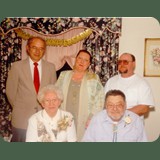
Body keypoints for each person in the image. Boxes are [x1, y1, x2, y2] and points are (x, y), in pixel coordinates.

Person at [6, 37, 57, 142]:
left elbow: (53, 92)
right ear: (27, 48)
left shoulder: (51, 67)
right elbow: (10, 92)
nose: (38, 51)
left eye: (41, 48)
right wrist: (20, 108)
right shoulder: (16, 67)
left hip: (44, 118)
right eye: (34, 47)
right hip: (21, 119)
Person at [56, 49, 105, 141]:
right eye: (80, 58)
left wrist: (92, 117)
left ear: (89, 63)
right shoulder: (64, 75)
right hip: (63, 117)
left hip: (84, 119)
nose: (82, 62)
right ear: (75, 59)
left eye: (86, 60)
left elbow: (100, 100)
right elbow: (55, 94)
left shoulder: (94, 78)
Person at [82, 90, 148, 142]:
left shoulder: (136, 121)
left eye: (119, 105)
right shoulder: (96, 119)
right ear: (105, 106)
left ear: (125, 105)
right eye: (110, 105)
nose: (115, 109)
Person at [104, 53, 154, 117]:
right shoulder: (110, 81)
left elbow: (144, 108)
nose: (122, 64)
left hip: (132, 124)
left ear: (133, 64)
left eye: (125, 62)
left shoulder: (142, 83)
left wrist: (122, 114)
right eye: (120, 62)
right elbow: (104, 104)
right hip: (111, 123)